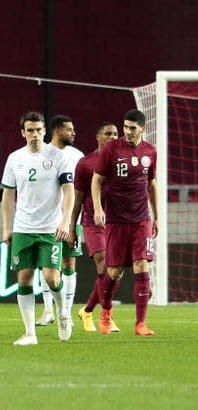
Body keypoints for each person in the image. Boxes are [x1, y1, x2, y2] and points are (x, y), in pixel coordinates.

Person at [1, 111, 74, 346]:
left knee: (52, 277)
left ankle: (63, 312)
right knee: (24, 278)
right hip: (23, 228)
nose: (35, 134)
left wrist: (65, 221)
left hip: (50, 229)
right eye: (30, 130)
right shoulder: (14, 158)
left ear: (45, 131)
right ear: (22, 132)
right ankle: (30, 333)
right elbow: (8, 194)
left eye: (39, 129)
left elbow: (69, 191)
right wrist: (6, 227)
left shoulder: (57, 156)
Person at [92, 109, 158, 336]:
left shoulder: (150, 151)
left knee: (142, 264)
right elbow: (97, 180)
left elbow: (152, 185)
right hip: (116, 220)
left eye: (132, 127)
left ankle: (140, 324)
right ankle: (106, 313)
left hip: (141, 219)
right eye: (125, 127)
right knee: (114, 271)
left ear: (143, 129)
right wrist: (99, 208)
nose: (127, 132)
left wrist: (156, 216)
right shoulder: (112, 148)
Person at [70, 121, 120, 332]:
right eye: (108, 133)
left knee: (115, 273)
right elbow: (78, 198)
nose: (113, 137)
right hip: (92, 222)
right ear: (97, 137)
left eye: (116, 134)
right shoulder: (85, 164)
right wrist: (72, 227)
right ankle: (106, 316)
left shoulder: (123, 161)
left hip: (118, 223)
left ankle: (87, 310)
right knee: (105, 266)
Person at [37, 115, 84, 327]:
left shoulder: (77, 156)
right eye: (69, 129)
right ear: (57, 132)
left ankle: (66, 312)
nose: (74, 133)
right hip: (46, 221)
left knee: (69, 263)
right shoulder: (41, 154)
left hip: (73, 219)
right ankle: (48, 311)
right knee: (45, 266)